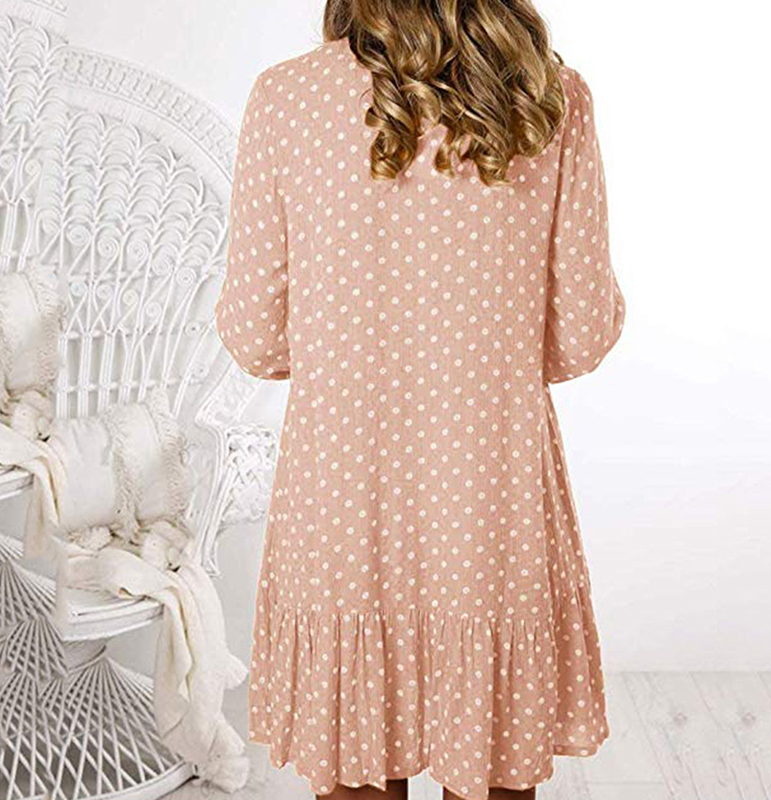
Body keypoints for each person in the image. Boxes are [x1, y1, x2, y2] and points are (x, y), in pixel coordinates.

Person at [214, 1, 625, 798]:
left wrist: (354, 351)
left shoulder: (287, 98)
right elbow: (581, 335)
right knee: (496, 769)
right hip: (490, 508)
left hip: (344, 503)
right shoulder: (548, 95)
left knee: (355, 775)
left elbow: (255, 337)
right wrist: (482, 357)